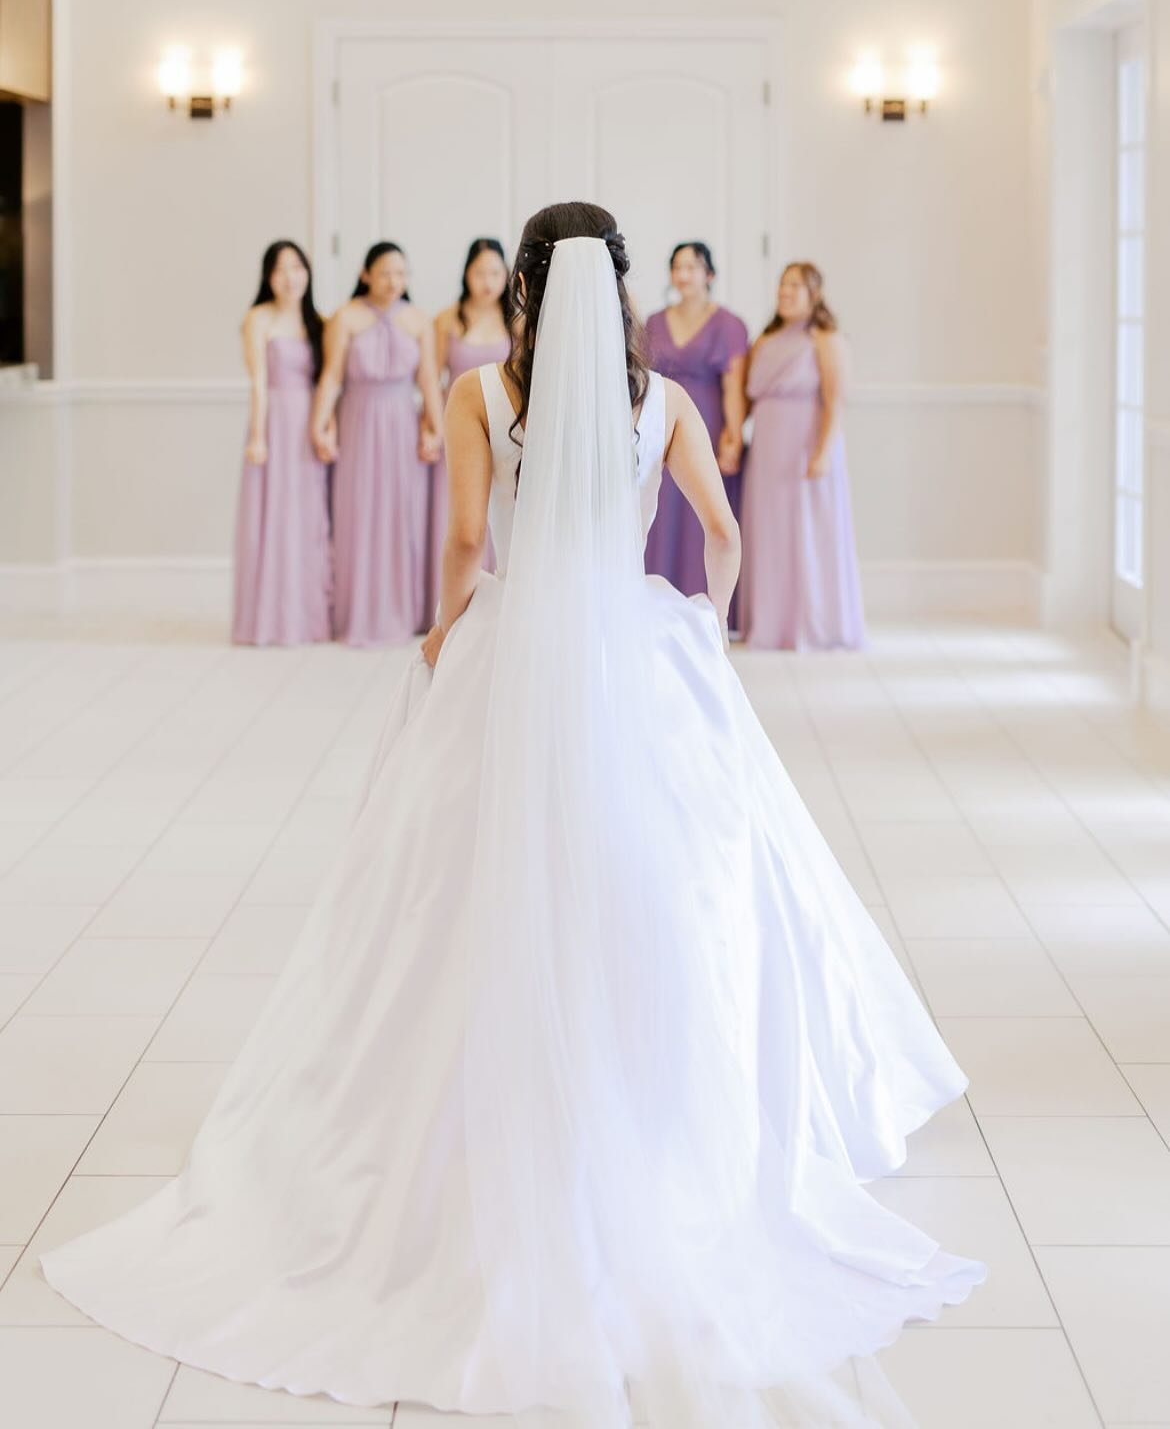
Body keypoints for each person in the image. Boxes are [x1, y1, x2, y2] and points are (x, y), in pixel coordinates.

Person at [40, 203, 982, 1429]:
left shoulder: (484, 393)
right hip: (639, 656)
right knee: (678, 885)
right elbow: (725, 534)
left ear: (528, 289)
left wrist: (443, 635)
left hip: (515, 647)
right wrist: (704, 623)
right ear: (626, 290)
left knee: (446, 888)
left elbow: (474, 540)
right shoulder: (671, 407)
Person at [311, 241, 443, 646]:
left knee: (403, 514)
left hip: (401, 423)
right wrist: (320, 424)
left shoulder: (419, 321)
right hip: (358, 422)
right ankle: (358, 615)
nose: (393, 281)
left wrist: (434, 428)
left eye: (401, 273)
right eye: (385, 272)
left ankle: (404, 612)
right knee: (357, 514)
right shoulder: (345, 318)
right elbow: (332, 376)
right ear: (366, 273)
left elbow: (428, 383)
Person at [739, 262, 867, 650]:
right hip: (767, 451)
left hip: (806, 447)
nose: (785, 292)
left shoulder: (825, 340)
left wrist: (823, 452)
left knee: (809, 532)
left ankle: (815, 623)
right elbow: (746, 398)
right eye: (782, 284)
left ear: (814, 293)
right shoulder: (764, 341)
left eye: (795, 285)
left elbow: (835, 401)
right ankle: (771, 623)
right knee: (770, 532)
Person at [231, 240, 331, 646]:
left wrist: (327, 429)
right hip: (274, 422)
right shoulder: (258, 318)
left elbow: (328, 383)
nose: (290, 277)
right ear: (268, 277)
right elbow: (257, 381)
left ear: (307, 273)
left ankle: (306, 617)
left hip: (309, 423)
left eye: (297, 267)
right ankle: (270, 619)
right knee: (272, 517)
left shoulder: (318, 322)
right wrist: (258, 436)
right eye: (280, 269)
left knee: (308, 519)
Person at [642, 243, 750, 619]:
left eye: (692, 266)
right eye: (678, 266)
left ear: (710, 275)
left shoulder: (730, 325)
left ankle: (713, 608)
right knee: (662, 509)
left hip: (707, 420)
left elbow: (734, 386)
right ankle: (661, 602)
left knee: (708, 513)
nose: (684, 274)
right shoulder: (653, 323)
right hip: (661, 424)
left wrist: (733, 434)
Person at [425, 237, 511, 622]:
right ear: (466, 275)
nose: (488, 281)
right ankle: (447, 602)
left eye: (495, 272)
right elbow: (430, 376)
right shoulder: (448, 319)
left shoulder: (517, 319)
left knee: (496, 511)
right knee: (456, 515)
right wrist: (431, 424)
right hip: (457, 427)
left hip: (503, 426)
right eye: (479, 273)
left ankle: (490, 602)